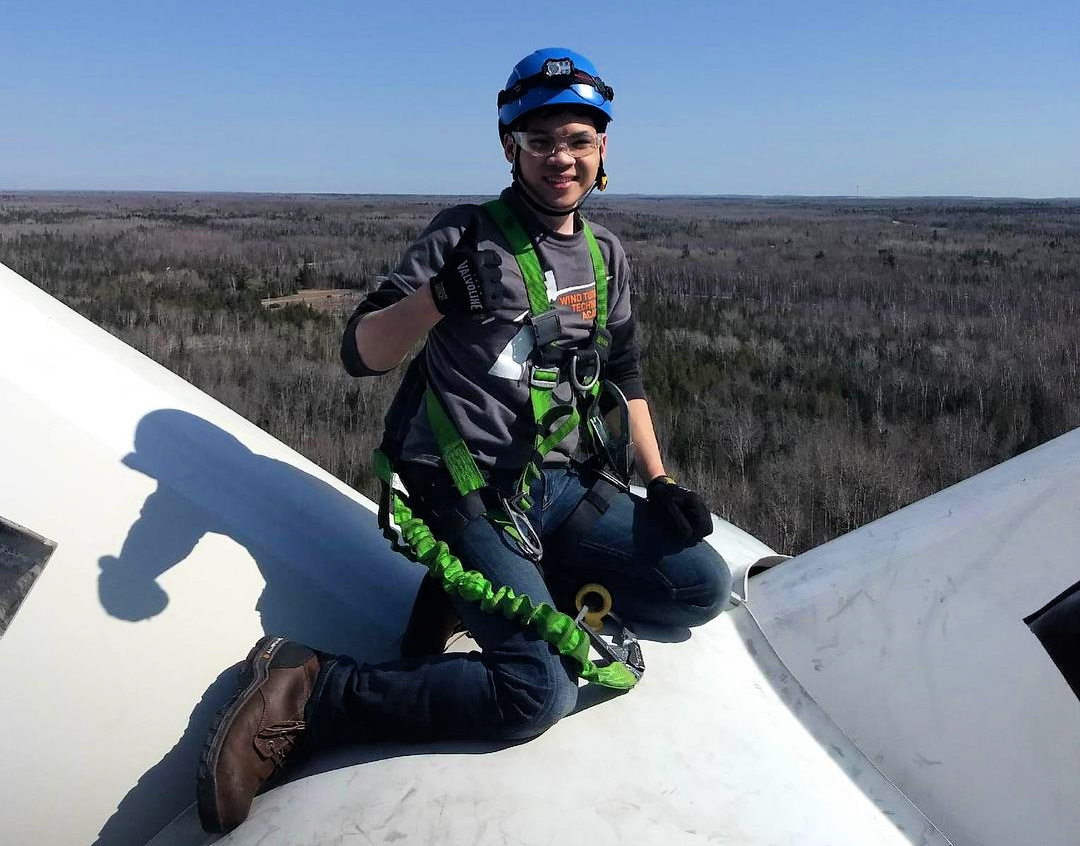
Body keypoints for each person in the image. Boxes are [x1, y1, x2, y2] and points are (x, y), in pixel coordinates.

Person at [197, 47, 731, 834]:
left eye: (579, 140)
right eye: (542, 140)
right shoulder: (463, 234)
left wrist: (660, 480)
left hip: (564, 483)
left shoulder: (605, 252)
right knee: (533, 693)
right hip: (467, 486)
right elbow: (362, 352)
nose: (562, 158)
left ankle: (488, 583)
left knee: (700, 588)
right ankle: (311, 691)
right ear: (510, 146)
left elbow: (626, 371)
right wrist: (437, 301)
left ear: (603, 149)